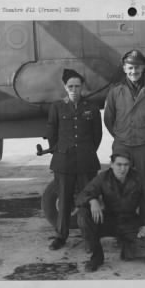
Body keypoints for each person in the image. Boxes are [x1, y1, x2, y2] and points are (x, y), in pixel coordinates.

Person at [76, 149, 145, 272]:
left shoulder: (139, 178)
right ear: (111, 165)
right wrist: (92, 200)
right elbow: (81, 196)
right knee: (83, 214)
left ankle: (127, 247)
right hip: (108, 219)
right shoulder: (103, 177)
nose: (122, 169)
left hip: (129, 220)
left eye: (126, 165)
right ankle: (96, 256)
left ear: (130, 165)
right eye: (119, 164)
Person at [46, 69, 102, 250]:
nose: (74, 89)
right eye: (70, 86)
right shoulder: (57, 107)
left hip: (86, 161)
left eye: (77, 86)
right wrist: (60, 151)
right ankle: (61, 236)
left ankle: (90, 236)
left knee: (89, 199)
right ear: (65, 87)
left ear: (82, 87)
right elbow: (52, 134)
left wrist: (86, 151)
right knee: (64, 200)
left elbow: (97, 136)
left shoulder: (92, 108)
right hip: (64, 161)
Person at [104, 49, 145, 196]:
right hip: (122, 145)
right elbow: (108, 119)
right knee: (120, 186)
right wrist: (121, 136)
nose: (134, 71)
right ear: (124, 68)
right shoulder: (115, 91)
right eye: (130, 67)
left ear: (143, 68)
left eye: (137, 67)